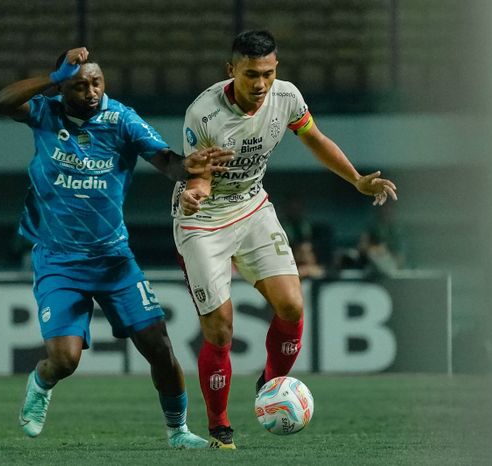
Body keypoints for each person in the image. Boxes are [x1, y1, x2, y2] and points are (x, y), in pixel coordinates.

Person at [0, 47, 234, 449]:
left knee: (159, 346)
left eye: (97, 82)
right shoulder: (45, 112)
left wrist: (191, 167)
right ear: (62, 87)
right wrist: (52, 79)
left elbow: (167, 162)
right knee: (65, 360)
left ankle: (178, 432)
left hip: (114, 259)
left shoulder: (122, 119)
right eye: (80, 84)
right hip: (58, 260)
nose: (91, 92)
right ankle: (41, 382)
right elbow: (0, 103)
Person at [172, 30, 398, 449]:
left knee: (292, 305)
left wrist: (356, 180)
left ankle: (270, 385)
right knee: (220, 329)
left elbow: (313, 137)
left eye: (269, 74)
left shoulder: (287, 97)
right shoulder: (203, 114)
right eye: (251, 74)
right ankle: (220, 428)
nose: (261, 84)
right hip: (203, 219)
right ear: (231, 71)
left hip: (253, 206)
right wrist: (194, 195)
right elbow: (199, 174)